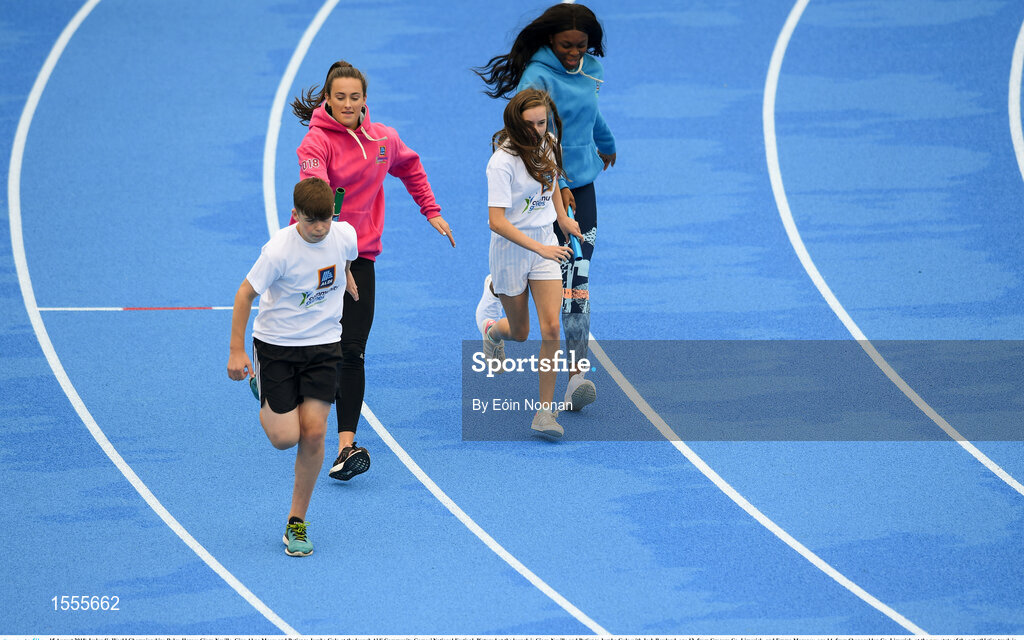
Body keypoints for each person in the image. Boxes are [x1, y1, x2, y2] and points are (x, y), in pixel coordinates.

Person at [290, 61, 455, 481]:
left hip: (361, 256)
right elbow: (317, 201)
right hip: (315, 252)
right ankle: (272, 361)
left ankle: (346, 448)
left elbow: (410, 167)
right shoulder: (315, 144)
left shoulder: (384, 139)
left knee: (352, 349)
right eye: (339, 97)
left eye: (355, 97)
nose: (347, 104)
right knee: (311, 341)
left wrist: (430, 210)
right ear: (327, 98)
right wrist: (335, 260)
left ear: (366, 100)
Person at [474, 3, 615, 413]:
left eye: (582, 46)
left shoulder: (591, 69)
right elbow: (531, 143)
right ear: (550, 41)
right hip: (548, 192)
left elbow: (590, 114)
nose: (574, 53)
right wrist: (561, 186)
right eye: (566, 46)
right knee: (531, 316)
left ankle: (576, 378)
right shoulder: (536, 77)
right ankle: (501, 291)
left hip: (581, 188)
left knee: (578, 280)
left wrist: (605, 143)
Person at [227, 177, 359, 556]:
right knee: (285, 438)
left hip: (323, 347)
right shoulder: (278, 252)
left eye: (325, 221)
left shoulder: (343, 234)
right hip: (277, 348)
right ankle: (264, 394)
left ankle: (296, 523)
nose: (319, 229)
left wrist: (346, 274)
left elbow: (347, 253)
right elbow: (244, 294)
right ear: (296, 215)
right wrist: (237, 351)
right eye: (310, 221)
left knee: (314, 433)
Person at [480, 89, 583, 438]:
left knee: (551, 328)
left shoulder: (548, 142)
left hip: (545, 245)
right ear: (513, 122)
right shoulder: (501, 163)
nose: (537, 131)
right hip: (511, 250)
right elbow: (496, 221)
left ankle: (544, 413)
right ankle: (494, 330)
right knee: (521, 332)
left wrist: (562, 219)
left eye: (542, 123)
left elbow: (551, 181)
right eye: (530, 124)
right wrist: (538, 250)